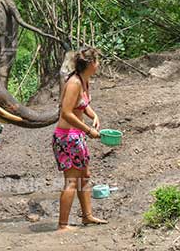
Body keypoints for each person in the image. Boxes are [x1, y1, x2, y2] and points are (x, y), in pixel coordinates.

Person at [53, 46, 107, 231]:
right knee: (72, 181)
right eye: (97, 61)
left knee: (85, 176)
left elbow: (82, 105)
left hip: (77, 137)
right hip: (67, 138)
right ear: (91, 64)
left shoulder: (84, 81)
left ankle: (87, 216)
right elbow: (66, 112)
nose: (98, 65)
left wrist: (94, 116)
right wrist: (88, 130)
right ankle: (63, 225)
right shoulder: (74, 83)